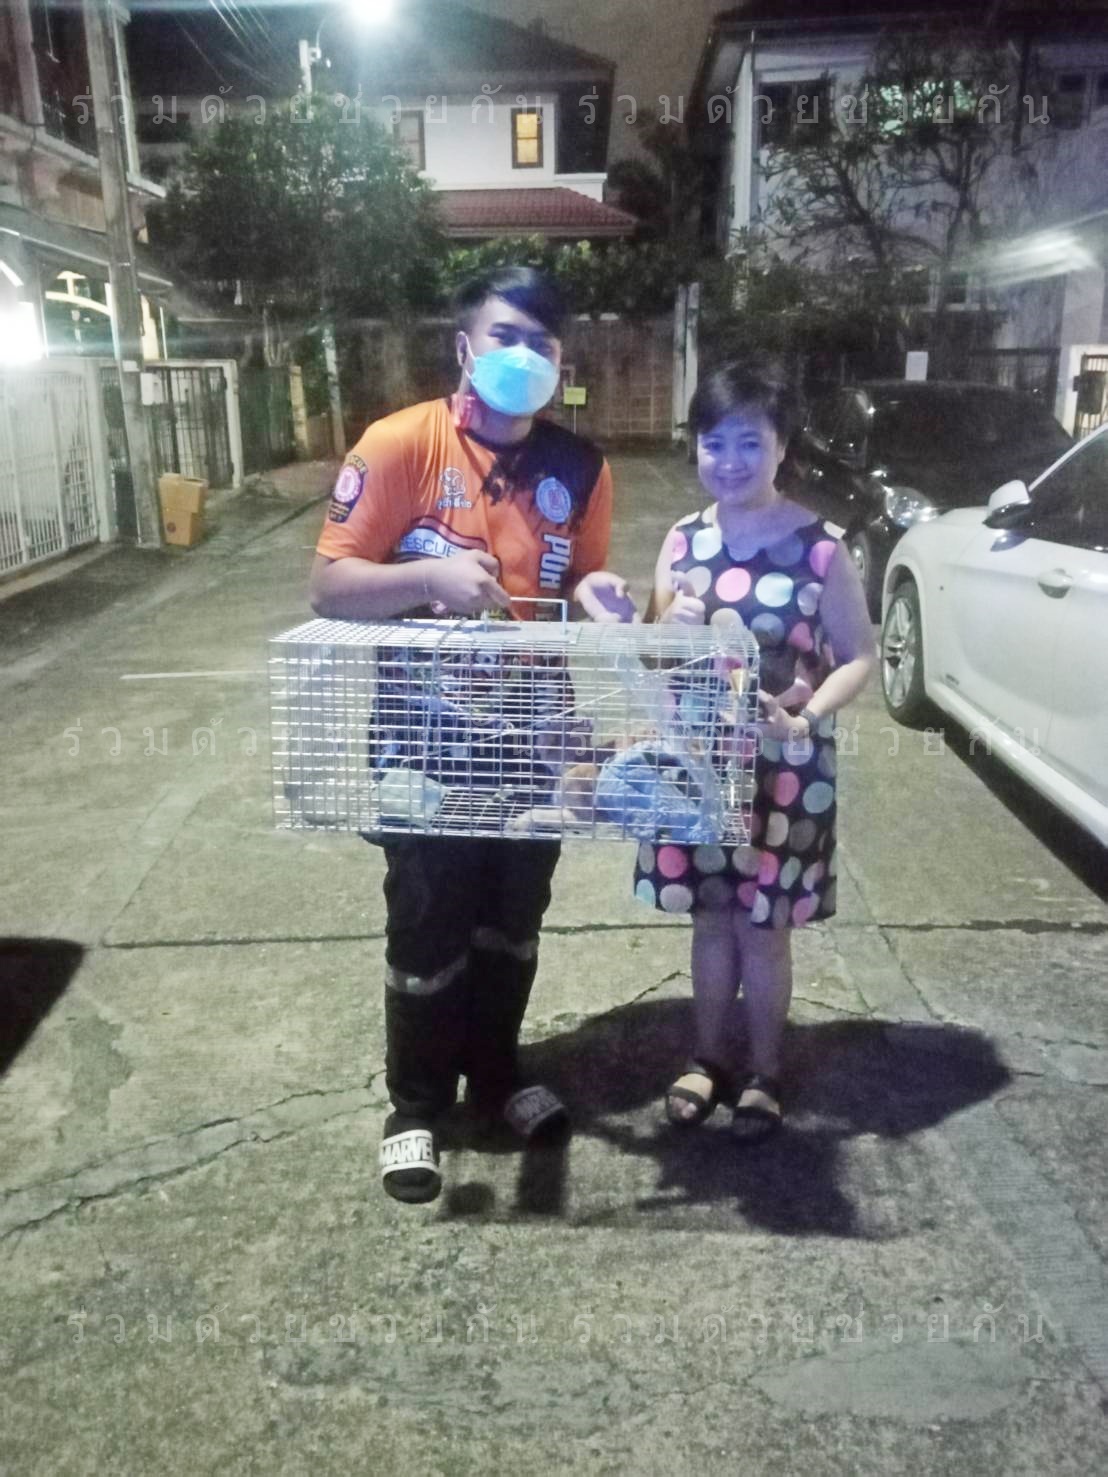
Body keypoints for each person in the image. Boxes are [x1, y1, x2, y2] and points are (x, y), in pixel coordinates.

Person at [308, 266, 632, 1204]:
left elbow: (579, 580)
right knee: (427, 925)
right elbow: (329, 586)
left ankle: (495, 1076)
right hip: (424, 742)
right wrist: (427, 579)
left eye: (543, 343)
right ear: (464, 346)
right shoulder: (400, 444)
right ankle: (415, 1107)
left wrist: (600, 594)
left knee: (511, 923)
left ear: (561, 361)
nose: (523, 356)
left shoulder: (581, 468)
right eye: (505, 336)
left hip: (537, 740)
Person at [634, 361, 876, 1140]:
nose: (729, 459)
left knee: (764, 928)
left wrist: (806, 719)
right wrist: (660, 628)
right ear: (697, 447)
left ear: (781, 447)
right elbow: (651, 653)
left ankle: (765, 1072)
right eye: (715, 442)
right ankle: (707, 1058)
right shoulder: (682, 540)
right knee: (711, 919)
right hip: (698, 764)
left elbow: (859, 655)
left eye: (749, 442)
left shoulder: (821, 548)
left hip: (785, 767)